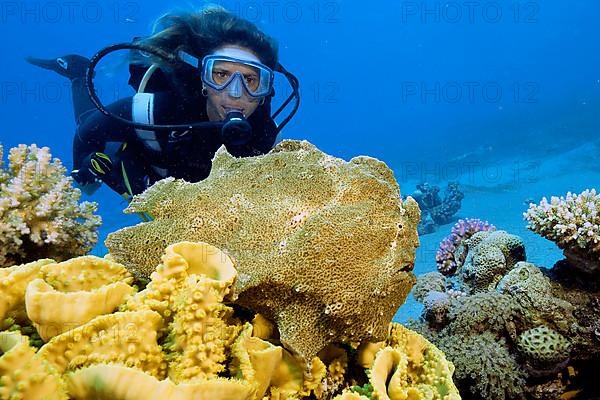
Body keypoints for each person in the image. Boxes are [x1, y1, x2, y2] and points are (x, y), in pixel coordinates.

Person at [26, 6, 298, 201]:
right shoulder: (156, 110)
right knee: (89, 121)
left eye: (251, 80)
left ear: (265, 89)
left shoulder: (265, 135)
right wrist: (85, 172)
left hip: (196, 198)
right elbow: (87, 131)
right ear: (202, 78)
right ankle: (79, 73)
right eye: (221, 74)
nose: (235, 93)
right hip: (146, 171)